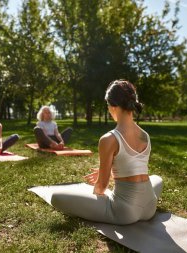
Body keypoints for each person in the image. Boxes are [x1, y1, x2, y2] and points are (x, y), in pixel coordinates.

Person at [50, 80, 163, 225]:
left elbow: (101, 187)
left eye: (108, 105)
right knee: (157, 178)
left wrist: (97, 195)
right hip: (150, 206)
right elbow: (131, 165)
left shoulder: (109, 139)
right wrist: (109, 172)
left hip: (124, 212)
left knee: (56, 197)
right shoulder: (145, 135)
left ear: (112, 106)